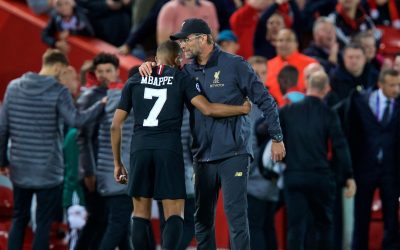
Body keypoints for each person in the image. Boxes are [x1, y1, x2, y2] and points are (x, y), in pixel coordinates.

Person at [139, 18, 285, 250]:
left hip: (233, 152)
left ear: (204, 38)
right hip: (202, 155)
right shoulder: (186, 71)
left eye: (187, 39)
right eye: (181, 41)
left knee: (235, 215)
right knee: (202, 220)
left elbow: (266, 101)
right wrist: (145, 68)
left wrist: (277, 138)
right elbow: (160, 81)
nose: (183, 45)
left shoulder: (235, 65)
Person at [111, 40, 252, 250]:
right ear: (178, 59)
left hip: (139, 149)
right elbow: (208, 109)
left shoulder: (135, 80)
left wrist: (117, 163)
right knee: (174, 214)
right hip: (168, 150)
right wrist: (241, 109)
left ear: (156, 59)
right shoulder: (181, 79)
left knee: (140, 214)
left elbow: (115, 126)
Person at [0, 49, 105, 250]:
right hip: (49, 171)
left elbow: (3, 128)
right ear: (57, 67)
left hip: (20, 168)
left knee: (19, 219)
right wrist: (100, 105)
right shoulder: (59, 91)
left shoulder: (13, 87)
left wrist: (2, 160)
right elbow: (76, 120)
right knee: (43, 223)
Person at [279, 71, 356, 250]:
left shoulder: (288, 110)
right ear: (327, 89)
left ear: (306, 87)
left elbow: (263, 129)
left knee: (295, 228)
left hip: (294, 176)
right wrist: (349, 175)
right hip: (320, 177)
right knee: (323, 225)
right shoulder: (328, 113)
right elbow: (340, 146)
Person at [336, 69, 400, 250]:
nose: (396, 89)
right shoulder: (361, 101)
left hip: (391, 171)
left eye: (398, 85)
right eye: (392, 85)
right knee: (361, 218)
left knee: (392, 220)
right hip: (364, 170)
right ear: (381, 84)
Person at [75, 52, 123, 250]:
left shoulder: (120, 94)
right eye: (100, 71)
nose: (104, 75)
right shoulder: (90, 97)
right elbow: (83, 137)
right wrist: (89, 171)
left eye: (108, 71)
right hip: (94, 171)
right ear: (94, 72)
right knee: (99, 219)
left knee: (111, 222)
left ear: (117, 72)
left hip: (111, 171)